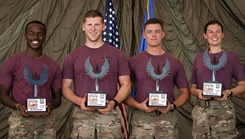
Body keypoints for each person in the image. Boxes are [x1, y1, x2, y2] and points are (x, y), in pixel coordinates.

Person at [62, 10, 131, 138]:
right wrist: (79, 101)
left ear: (104, 26)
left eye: (97, 25)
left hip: (109, 115)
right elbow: (65, 88)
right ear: (83, 27)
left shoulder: (117, 54)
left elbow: (126, 84)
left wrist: (113, 103)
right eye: (89, 25)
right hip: (82, 117)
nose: (93, 29)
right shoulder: (72, 57)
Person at [124, 18, 190, 138]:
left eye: (157, 31)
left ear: (163, 34)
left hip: (167, 119)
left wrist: (172, 105)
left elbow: (185, 92)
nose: (153, 35)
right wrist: (138, 106)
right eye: (149, 32)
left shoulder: (175, 62)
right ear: (144, 35)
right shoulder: (133, 62)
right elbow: (123, 93)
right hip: (141, 119)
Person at [0, 20, 62, 139]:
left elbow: (58, 98)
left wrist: (51, 106)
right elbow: (2, 95)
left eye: (40, 34)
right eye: (31, 33)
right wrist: (18, 106)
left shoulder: (53, 65)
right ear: (25, 36)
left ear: (44, 38)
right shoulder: (12, 62)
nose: (35, 37)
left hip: (46, 121)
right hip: (20, 120)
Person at [189, 20, 245, 138]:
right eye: (211, 32)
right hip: (201, 112)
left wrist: (229, 92)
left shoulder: (232, 57)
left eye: (218, 31)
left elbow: (243, 85)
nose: (214, 35)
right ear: (205, 35)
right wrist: (198, 92)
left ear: (222, 34)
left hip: (223, 111)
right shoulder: (199, 58)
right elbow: (192, 87)